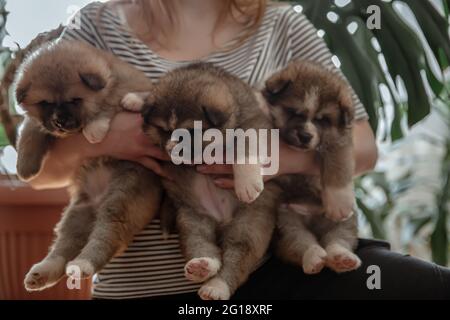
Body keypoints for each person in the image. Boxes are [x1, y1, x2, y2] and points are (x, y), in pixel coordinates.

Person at [28, 0, 450, 299]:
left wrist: (266, 156)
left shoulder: (281, 23)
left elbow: (361, 145)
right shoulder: (97, 25)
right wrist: (117, 139)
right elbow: (42, 172)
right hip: (140, 287)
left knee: (424, 285)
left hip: (271, 270)